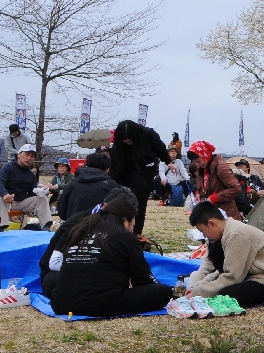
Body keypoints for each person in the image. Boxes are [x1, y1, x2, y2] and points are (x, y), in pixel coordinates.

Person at [47, 190, 173, 318]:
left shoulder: (80, 229)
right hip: (100, 302)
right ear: (125, 221)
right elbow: (144, 279)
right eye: (132, 225)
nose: (132, 229)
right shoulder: (124, 237)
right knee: (163, 292)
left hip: (61, 303)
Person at [185, 201, 264, 308]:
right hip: (249, 276)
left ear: (212, 223)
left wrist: (199, 292)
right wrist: (196, 286)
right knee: (214, 286)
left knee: (224, 295)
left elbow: (232, 277)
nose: (204, 235)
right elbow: (208, 266)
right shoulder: (220, 236)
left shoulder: (236, 235)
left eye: (202, 231)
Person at [109, 119, 170, 236]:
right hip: (127, 172)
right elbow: (116, 168)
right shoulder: (118, 147)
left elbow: (160, 149)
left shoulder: (148, 134)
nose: (127, 143)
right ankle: (126, 228)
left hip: (146, 170)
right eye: (124, 141)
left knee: (141, 205)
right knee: (139, 191)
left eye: (130, 140)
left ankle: (136, 233)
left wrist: (168, 161)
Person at [0, 145, 52, 229]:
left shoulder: (31, 175)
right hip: (4, 201)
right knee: (0, 197)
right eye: (26, 154)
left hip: (21, 202)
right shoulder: (8, 167)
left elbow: (31, 192)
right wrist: (5, 194)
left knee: (42, 199)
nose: (29, 158)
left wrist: (42, 192)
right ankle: (1, 227)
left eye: (32, 156)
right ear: (18, 155)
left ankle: (46, 227)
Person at [187, 140, 243, 220]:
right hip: (210, 213)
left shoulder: (221, 167)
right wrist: (198, 194)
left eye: (198, 161)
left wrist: (215, 198)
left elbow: (236, 188)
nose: (197, 164)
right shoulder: (201, 169)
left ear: (205, 155)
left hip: (225, 215)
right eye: (194, 162)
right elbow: (204, 187)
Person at [57, 152, 118, 219]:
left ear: (87, 166)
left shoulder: (72, 184)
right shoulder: (111, 186)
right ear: (107, 169)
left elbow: (61, 211)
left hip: (74, 227)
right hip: (101, 227)